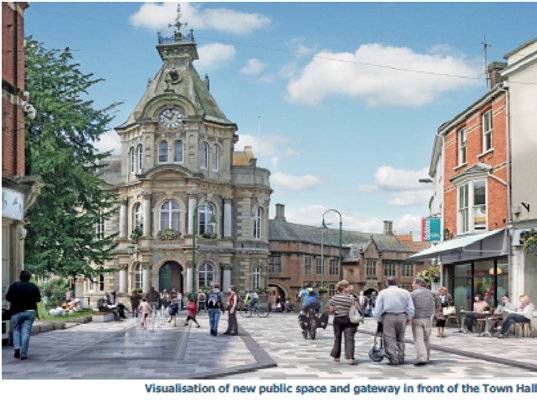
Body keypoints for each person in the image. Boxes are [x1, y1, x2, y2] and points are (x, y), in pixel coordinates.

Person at [373, 277, 415, 366]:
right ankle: (401, 357)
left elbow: (378, 309)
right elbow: (410, 307)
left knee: (389, 338)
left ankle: (393, 359)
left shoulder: (383, 293)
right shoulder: (405, 292)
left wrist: (379, 319)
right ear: (397, 283)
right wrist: (409, 316)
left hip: (388, 316)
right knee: (401, 338)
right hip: (402, 316)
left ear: (387, 283)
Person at [6, 270, 41, 360]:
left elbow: (8, 298)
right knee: (26, 332)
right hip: (30, 311)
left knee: (16, 329)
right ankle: (24, 354)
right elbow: (38, 299)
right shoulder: (33, 286)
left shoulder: (14, 286)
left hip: (16, 311)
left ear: (20, 277)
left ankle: (17, 348)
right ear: (29, 278)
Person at [328, 280, 360, 365]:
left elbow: (331, 310)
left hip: (338, 320)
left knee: (337, 339)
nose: (349, 288)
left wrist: (337, 308)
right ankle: (350, 358)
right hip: (349, 320)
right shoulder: (352, 297)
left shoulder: (334, 298)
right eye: (348, 287)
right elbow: (357, 308)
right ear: (343, 288)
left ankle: (336, 356)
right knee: (349, 339)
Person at [410, 277, 436, 366]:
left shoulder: (413, 294)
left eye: (413, 283)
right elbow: (437, 305)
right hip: (429, 318)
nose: (412, 285)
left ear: (417, 283)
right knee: (426, 338)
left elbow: (410, 307)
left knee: (418, 338)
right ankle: (427, 355)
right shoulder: (432, 293)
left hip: (417, 318)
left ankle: (422, 358)